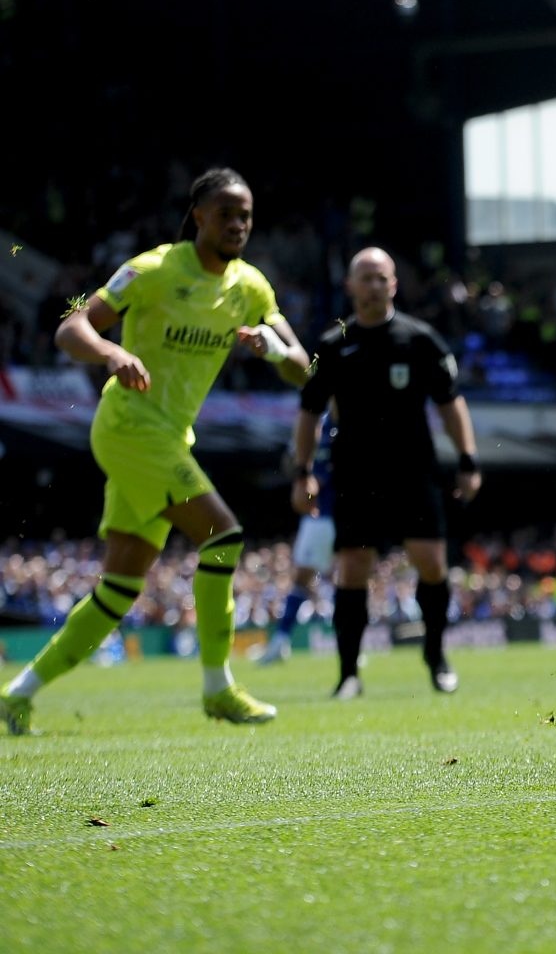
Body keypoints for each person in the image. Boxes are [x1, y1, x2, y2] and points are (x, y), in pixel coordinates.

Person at [2, 168, 308, 734]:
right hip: (127, 426)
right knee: (223, 536)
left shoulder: (251, 288)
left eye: (246, 215)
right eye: (226, 213)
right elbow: (72, 329)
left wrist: (270, 345)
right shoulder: (153, 270)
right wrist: (111, 355)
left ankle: (17, 693)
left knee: (118, 590)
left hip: (168, 437)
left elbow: (303, 370)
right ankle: (219, 688)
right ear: (198, 215)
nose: (238, 224)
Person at [293, 247, 481, 699]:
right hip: (356, 474)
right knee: (353, 568)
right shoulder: (332, 345)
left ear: (394, 284)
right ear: (350, 286)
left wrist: (469, 459)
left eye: (382, 277)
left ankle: (435, 654)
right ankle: (348, 674)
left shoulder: (420, 340)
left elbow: (451, 403)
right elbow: (308, 412)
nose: (375, 285)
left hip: (414, 471)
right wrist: (302, 473)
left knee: (432, 564)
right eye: (366, 277)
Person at [254, 413, 336, 665]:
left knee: (343, 578)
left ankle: (347, 643)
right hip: (318, 514)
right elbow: (291, 464)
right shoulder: (316, 422)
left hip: (341, 512)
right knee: (304, 578)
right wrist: (301, 467)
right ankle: (281, 641)